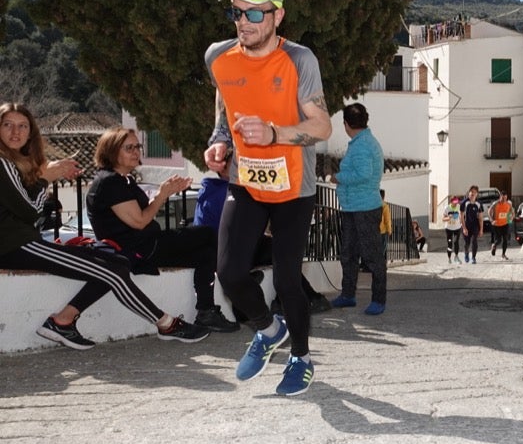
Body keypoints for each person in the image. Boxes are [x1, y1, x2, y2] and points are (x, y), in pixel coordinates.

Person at [204, 0, 332, 396]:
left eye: (255, 13)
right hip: (247, 181)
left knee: (287, 280)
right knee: (229, 272)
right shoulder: (218, 57)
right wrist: (219, 140)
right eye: (237, 13)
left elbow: (322, 126)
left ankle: (300, 356)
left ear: (278, 15)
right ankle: (266, 329)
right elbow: (225, 102)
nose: (243, 22)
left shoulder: (300, 60)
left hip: (295, 186)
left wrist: (275, 134)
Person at [0, 102, 209, 349]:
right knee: (111, 270)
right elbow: (30, 209)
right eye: (8, 125)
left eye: (22, 126)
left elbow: (27, 209)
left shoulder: (18, 163)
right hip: (14, 245)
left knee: (117, 262)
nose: (16, 132)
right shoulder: (3, 162)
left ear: (31, 131)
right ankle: (166, 323)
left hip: (25, 241)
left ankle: (63, 322)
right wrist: (46, 178)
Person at [83, 127, 238, 333]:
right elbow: (139, 221)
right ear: (111, 152)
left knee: (205, 253)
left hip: (145, 245)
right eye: (128, 148)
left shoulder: (122, 180)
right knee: (207, 234)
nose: (136, 152)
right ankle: (236, 274)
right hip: (139, 249)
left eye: (137, 146)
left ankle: (206, 311)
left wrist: (165, 192)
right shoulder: (110, 182)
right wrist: (163, 194)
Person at [191, 174, 331, 316]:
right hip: (228, 251)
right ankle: (310, 298)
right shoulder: (229, 193)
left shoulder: (209, 191)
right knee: (279, 251)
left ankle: (291, 299)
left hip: (220, 250)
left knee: (275, 250)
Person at [332, 103, 387, 316]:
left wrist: (338, 177)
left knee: (372, 256)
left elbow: (364, 174)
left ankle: (378, 300)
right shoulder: (362, 142)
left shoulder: (362, 145)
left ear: (346, 124)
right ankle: (348, 294)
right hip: (355, 207)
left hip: (364, 208)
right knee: (349, 253)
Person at [459, 185, 483, 263]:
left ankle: (473, 257)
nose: (473, 194)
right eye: (471, 192)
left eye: (475, 192)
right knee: (467, 242)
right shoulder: (464, 203)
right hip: (466, 225)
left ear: (477, 194)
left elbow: (480, 217)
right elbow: (461, 217)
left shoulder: (479, 204)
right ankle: (466, 254)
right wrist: (464, 228)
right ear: (469, 193)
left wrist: (481, 229)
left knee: (474, 241)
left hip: (475, 226)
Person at [488, 190, 514, 260]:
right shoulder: (495, 203)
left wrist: (510, 219)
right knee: (499, 240)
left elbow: (512, 212)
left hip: (505, 224)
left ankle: (503, 254)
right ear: (500, 197)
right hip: (497, 225)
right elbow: (489, 211)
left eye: (505, 198)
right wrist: (491, 220)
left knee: (505, 239)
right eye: (503, 198)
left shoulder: (508, 204)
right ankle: (494, 245)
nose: (504, 200)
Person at [443, 195, 463, 263]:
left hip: (457, 228)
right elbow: (443, 219)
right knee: (449, 243)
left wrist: (462, 222)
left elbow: (461, 216)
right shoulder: (447, 208)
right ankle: (449, 258)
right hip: (449, 229)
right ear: (451, 202)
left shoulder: (459, 206)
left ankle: (456, 256)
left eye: (456, 201)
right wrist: (448, 217)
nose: (456, 203)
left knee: (456, 242)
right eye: (454, 202)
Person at [378, 189, 392, 262]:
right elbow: (387, 219)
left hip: (374, 230)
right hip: (382, 230)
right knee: (382, 249)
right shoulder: (384, 205)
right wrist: (389, 230)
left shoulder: (373, 204)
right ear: (383, 196)